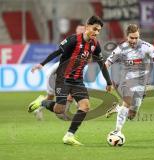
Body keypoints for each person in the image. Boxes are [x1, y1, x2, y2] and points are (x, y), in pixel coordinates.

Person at [28, 15, 112, 146]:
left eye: (99, 30)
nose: (96, 32)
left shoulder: (95, 45)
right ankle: (42, 102)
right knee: (59, 110)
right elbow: (57, 52)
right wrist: (41, 64)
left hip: (78, 80)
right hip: (63, 79)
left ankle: (69, 135)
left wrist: (109, 82)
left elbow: (101, 63)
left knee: (85, 106)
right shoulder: (73, 40)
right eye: (95, 29)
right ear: (87, 27)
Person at [105, 24, 154, 134]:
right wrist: (108, 81)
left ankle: (118, 108)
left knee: (131, 114)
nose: (134, 40)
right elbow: (107, 64)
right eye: (131, 38)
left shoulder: (146, 47)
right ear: (127, 36)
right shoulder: (121, 49)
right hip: (126, 80)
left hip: (142, 83)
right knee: (128, 101)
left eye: (136, 37)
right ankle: (117, 132)